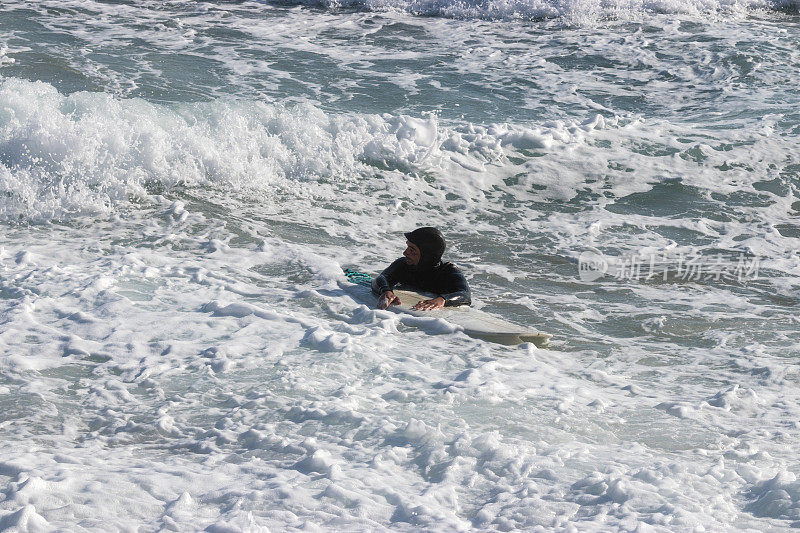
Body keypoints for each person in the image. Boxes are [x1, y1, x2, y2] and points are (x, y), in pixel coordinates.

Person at [372, 227, 471, 310]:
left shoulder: (448, 271)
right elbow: (381, 278)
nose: (405, 253)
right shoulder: (404, 265)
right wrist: (386, 291)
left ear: (426, 254)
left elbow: (464, 295)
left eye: (412, 250)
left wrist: (443, 300)